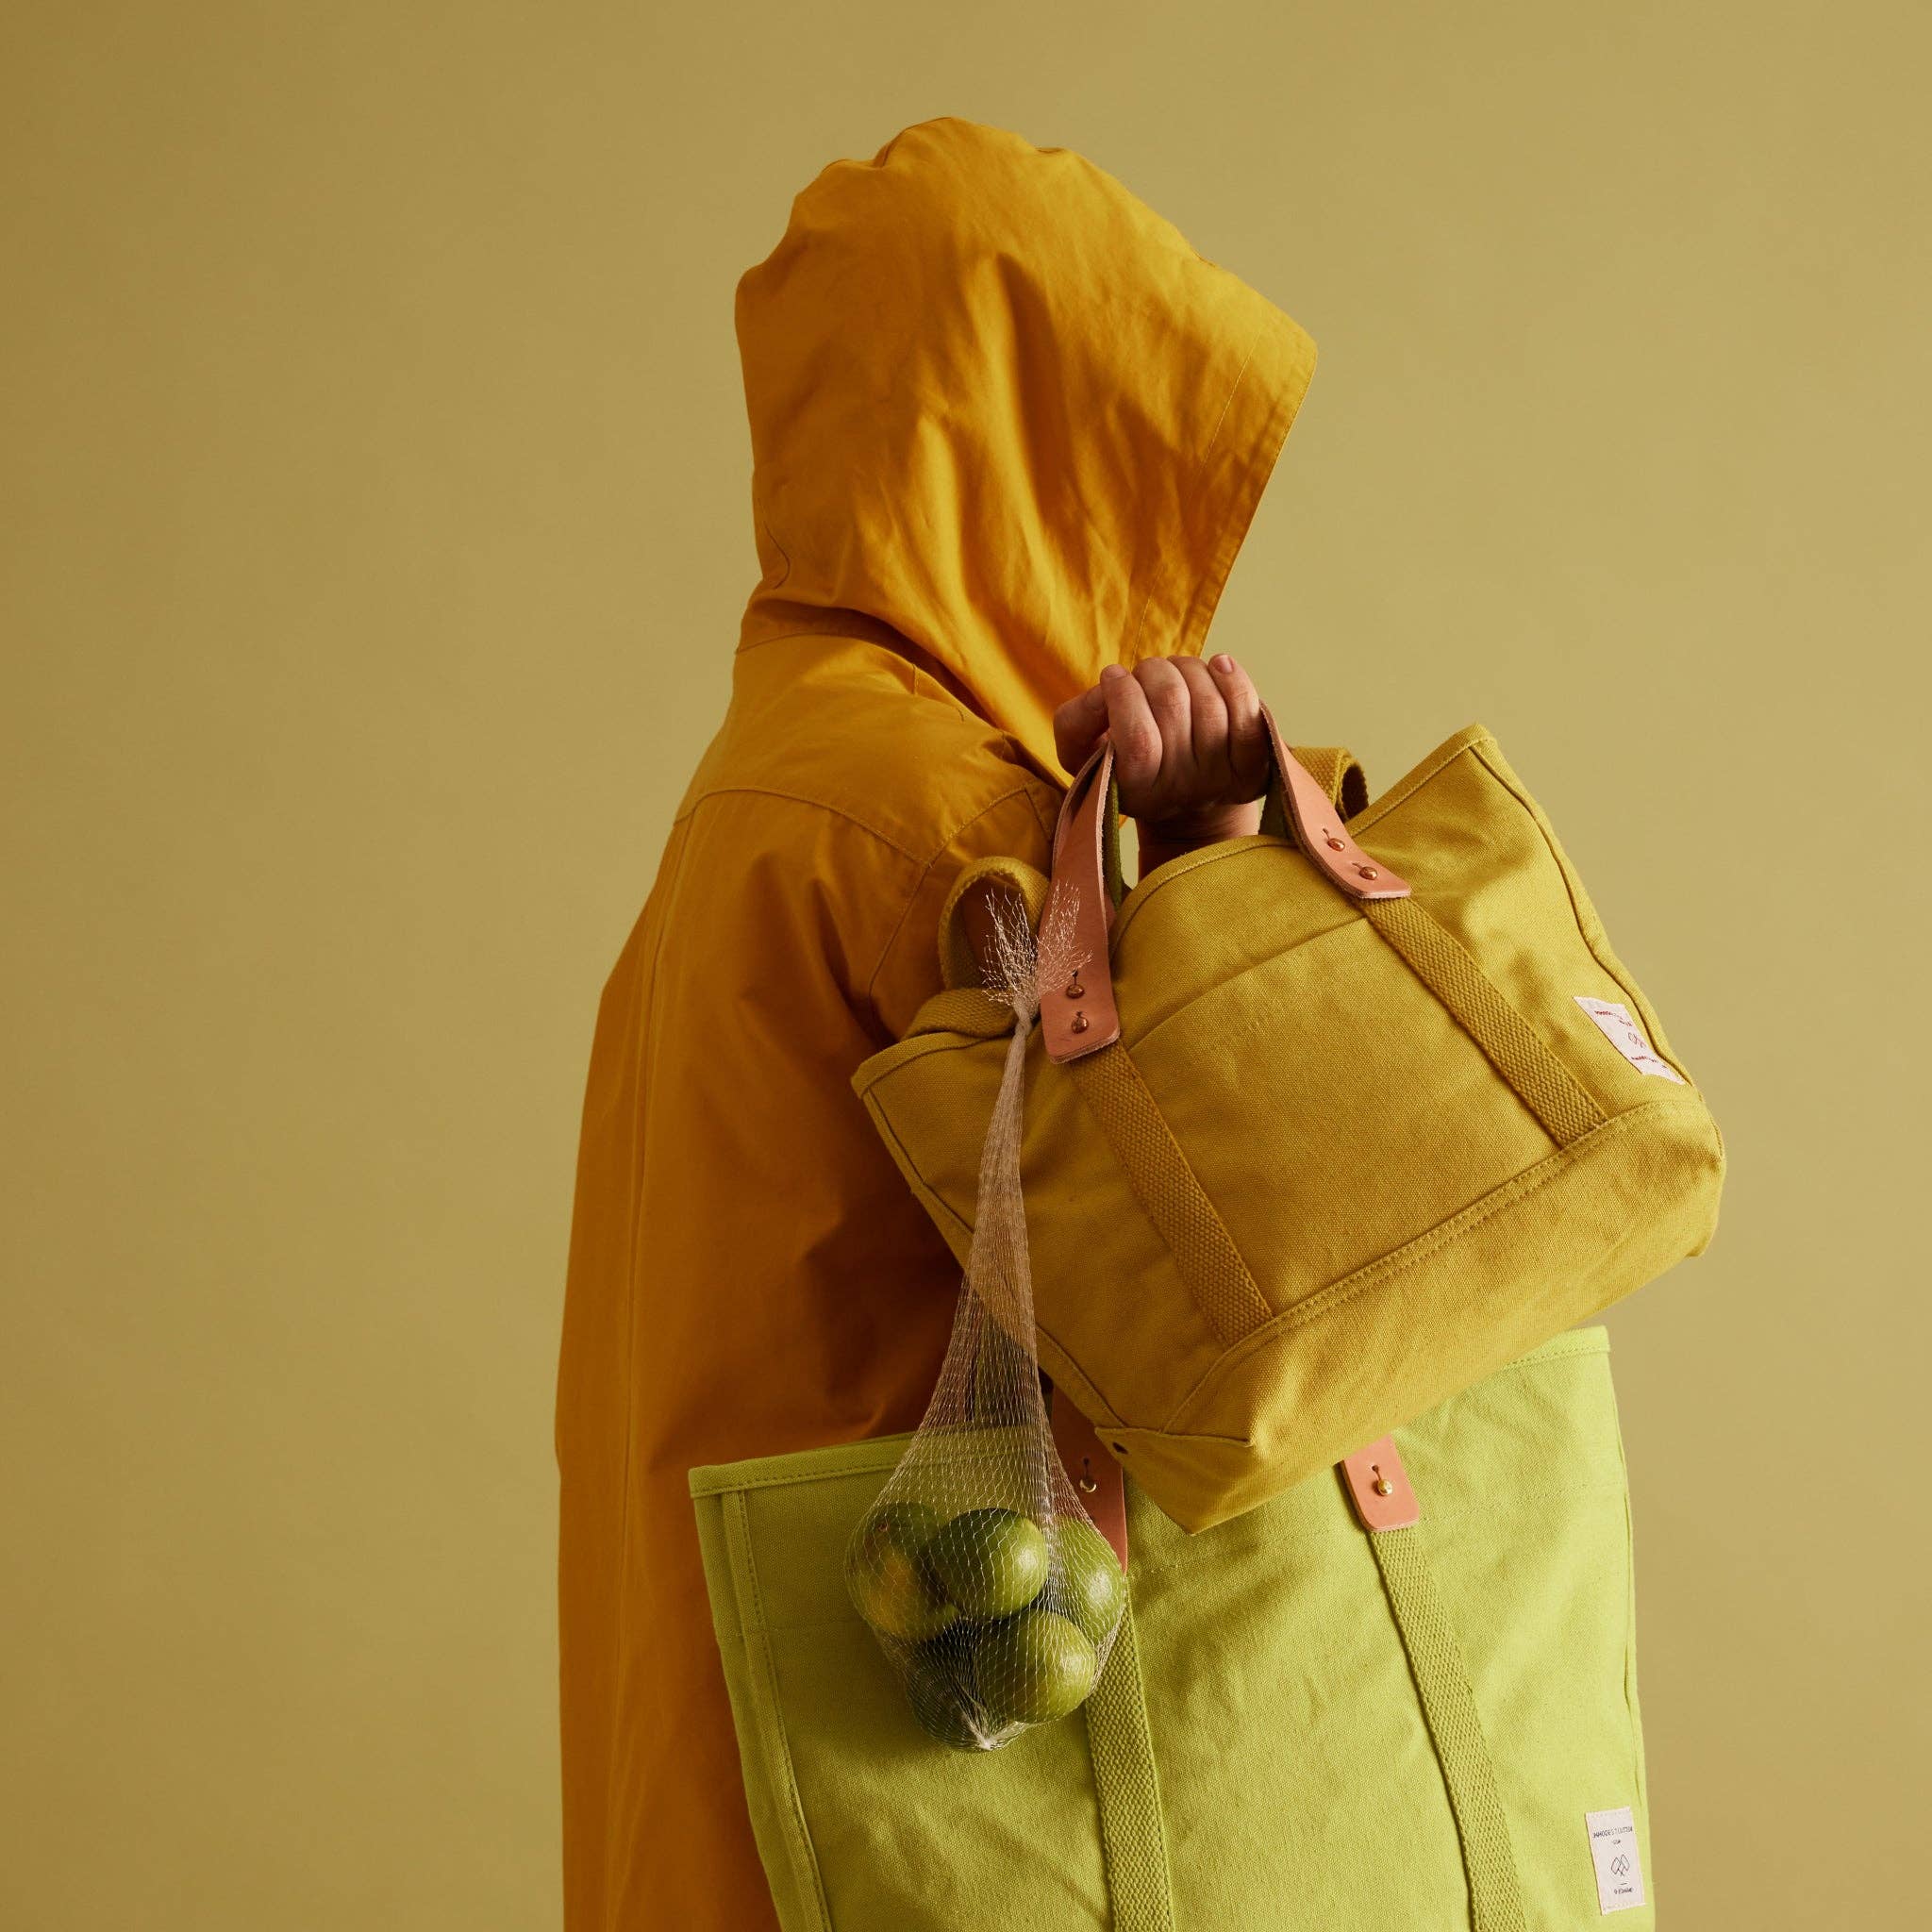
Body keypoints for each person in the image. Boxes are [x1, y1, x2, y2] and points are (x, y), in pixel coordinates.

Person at [555, 114, 1319, 1930]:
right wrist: (1215, 856)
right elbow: (1212, 1259)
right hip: (942, 1776)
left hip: (739, 1720)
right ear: (1037, 447)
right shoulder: (952, 824)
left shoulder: (761, 786)